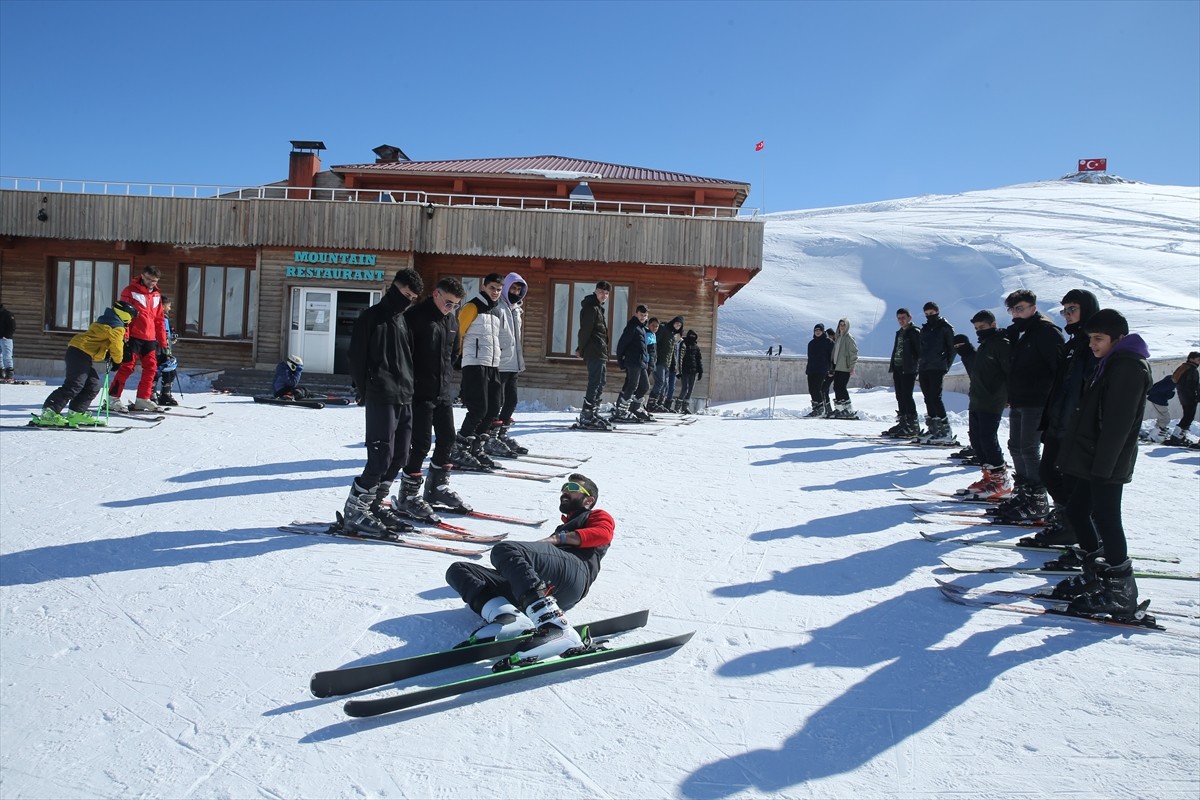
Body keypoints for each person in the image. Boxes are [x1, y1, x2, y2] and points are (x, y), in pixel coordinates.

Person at [1045, 309, 1151, 619]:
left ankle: (1120, 591)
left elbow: (1117, 424)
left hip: (1107, 461)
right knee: (1078, 511)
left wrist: (1103, 468)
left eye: (1099, 339)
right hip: (1096, 458)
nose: (1093, 344)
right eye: (1091, 338)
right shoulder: (1112, 362)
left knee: (1106, 517)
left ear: (1118, 339)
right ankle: (1097, 576)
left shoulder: (1128, 367)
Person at [445, 473, 614, 663]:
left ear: (588, 500)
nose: (565, 491)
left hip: (575, 571)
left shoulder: (596, 515)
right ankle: (509, 617)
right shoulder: (563, 526)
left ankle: (556, 626)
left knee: (504, 549)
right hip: (545, 589)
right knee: (458, 571)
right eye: (564, 488)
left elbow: (603, 534)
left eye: (573, 489)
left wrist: (559, 539)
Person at [343, 268, 423, 537]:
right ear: (394, 288)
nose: (407, 300)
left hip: (404, 395)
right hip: (381, 395)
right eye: (405, 294)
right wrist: (365, 389)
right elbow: (356, 356)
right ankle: (356, 510)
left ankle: (375, 505)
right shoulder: (372, 317)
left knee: (400, 455)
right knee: (380, 457)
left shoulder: (402, 320)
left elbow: (409, 358)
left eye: (412, 298)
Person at [1023, 289, 1100, 548]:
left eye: (1072, 309)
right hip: (1059, 422)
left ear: (1087, 309)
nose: (1066, 314)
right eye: (1064, 309)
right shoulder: (1073, 344)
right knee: (1048, 473)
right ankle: (1071, 522)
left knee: (1070, 481)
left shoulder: (1092, 346)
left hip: (1076, 427)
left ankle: (1077, 528)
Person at [395, 277, 470, 523]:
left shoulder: (451, 320)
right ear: (436, 294)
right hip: (417, 393)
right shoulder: (414, 317)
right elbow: (401, 355)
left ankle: (436, 488)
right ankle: (408, 494)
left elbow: (453, 354)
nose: (451, 308)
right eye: (448, 303)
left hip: (442, 392)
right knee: (420, 444)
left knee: (448, 437)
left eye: (456, 305)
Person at [994, 289, 1064, 522]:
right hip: (1020, 399)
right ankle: (1024, 494)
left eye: (1020, 308)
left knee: (1029, 449)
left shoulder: (1046, 332)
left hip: (1038, 401)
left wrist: (1051, 400)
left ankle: (1038, 499)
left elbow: (1057, 368)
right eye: (1013, 309)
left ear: (1033, 308)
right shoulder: (1020, 334)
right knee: (1015, 446)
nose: (1016, 313)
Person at [34, 301, 137, 427]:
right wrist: (117, 361)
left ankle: (76, 413)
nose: (131, 321)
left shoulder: (107, 320)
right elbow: (117, 345)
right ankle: (49, 413)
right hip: (79, 352)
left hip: (81, 353)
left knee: (93, 385)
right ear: (126, 315)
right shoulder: (117, 327)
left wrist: (107, 354)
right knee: (74, 385)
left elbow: (98, 340)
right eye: (131, 317)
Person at [952, 310, 1012, 500]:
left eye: (982, 327)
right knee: (976, 439)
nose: (979, 331)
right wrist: (967, 352)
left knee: (987, 438)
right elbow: (976, 369)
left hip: (992, 399)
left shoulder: (1002, 344)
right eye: (976, 328)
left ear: (993, 325)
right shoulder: (985, 345)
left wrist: (1010, 395)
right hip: (977, 398)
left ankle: (1001, 482)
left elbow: (1010, 372)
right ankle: (989, 478)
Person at [455, 273, 504, 468]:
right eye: (492, 288)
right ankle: (459, 449)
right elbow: (459, 332)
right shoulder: (471, 307)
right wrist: (456, 357)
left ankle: (476, 447)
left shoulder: (495, 312)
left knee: (493, 408)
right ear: (483, 287)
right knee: (478, 409)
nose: (495, 292)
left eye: (499, 290)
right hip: (474, 364)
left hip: (492, 364)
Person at [106, 265, 168, 413]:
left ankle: (142, 399)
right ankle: (113, 398)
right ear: (142, 276)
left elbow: (159, 320)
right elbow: (123, 315)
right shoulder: (130, 291)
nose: (151, 283)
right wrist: (124, 336)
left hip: (150, 338)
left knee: (151, 368)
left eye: (154, 281)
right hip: (133, 337)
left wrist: (163, 343)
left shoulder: (156, 295)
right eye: (149, 279)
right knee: (127, 367)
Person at [488, 271, 529, 456]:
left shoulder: (516, 309)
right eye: (512, 287)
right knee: (497, 401)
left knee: (512, 400)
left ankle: (502, 434)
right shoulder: (497, 307)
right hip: (499, 362)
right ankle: (490, 436)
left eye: (518, 289)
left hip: (513, 362)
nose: (515, 291)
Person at [915, 301, 958, 445]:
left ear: (937, 312)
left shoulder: (945, 328)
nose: (929, 316)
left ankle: (945, 430)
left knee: (935, 397)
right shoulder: (925, 328)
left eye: (931, 313)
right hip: (925, 366)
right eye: (927, 314)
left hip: (938, 366)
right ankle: (934, 428)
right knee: (927, 397)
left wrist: (946, 365)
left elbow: (952, 349)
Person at [574, 281, 612, 430]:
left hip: (600, 351)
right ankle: (587, 414)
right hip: (593, 350)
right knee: (595, 382)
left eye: (607, 293)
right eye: (602, 292)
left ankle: (594, 412)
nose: (604, 295)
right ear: (596, 291)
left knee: (601, 382)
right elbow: (585, 331)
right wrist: (580, 348)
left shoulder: (598, 308)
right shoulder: (591, 308)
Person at [884, 308, 922, 438]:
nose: (901, 320)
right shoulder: (899, 332)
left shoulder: (914, 332)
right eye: (899, 318)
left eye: (903, 318)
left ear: (909, 318)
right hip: (898, 367)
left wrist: (916, 366)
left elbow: (919, 352)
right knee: (900, 395)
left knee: (907, 395)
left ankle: (913, 424)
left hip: (909, 368)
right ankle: (903, 422)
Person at [1149, 352, 1200, 446]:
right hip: (1189, 397)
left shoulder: (1184, 367)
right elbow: (1191, 385)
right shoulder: (1191, 369)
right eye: (1198, 359)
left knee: (1187, 416)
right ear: (1192, 359)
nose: (1199, 361)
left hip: (1184, 396)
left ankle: (1176, 436)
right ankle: (1177, 437)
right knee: (1187, 417)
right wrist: (1196, 395)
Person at [612, 305, 652, 422]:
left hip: (641, 362)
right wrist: (621, 361)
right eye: (641, 315)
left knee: (645, 386)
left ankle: (635, 408)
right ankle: (621, 411)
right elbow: (621, 344)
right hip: (633, 362)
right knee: (632, 385)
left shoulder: (642, 328)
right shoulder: (632, 327)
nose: (643, 317)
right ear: (636, 314)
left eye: (645, 315)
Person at [649, 315, 684, 413]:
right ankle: (651, 404)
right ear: (673, 322)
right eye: (677, 323)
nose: (677, 326)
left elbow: (671, 351)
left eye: (680, 325)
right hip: (659, 360)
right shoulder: (664, 329)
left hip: (666, 363)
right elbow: (655, 342)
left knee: (664, 384)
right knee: (660, 382)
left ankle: (659, 403)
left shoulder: (672, 334)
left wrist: (673, 365)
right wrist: (654, 357)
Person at [151, 296, 180, 406]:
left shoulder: (166, 318)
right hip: (156, 348)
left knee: (170, 370)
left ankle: (165, 394)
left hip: (166, 349)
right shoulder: (155, 316)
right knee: (155, 371)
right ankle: (151, 394)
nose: (170, 308)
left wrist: (173, 336)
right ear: (162, 306)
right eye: (168, 305)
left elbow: (168, 332)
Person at [829, 318, 859, 419]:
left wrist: (852, 366)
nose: (842, 327)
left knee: (841, 387)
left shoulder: (849, 338)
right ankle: (840, 409)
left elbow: (853, 353)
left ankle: (848, 409)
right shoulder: (838, 337)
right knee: (836, 387)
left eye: (844, 325)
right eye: (840, 325)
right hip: (837, 366)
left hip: (845, 367)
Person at [805, 323, 834, 417]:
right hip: (812, 370)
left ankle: (821, 409)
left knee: (818, 389)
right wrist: (808, 369)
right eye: (816, 330)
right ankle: (816, 408)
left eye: (819, 330)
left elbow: (832, 357)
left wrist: (831, 369)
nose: (817, 332)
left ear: (823, 331)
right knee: (811, 390)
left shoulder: (828, 342)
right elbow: (810, 357)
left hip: (823, 370)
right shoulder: (811, 343)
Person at [676, 328, 704, 413]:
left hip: (693, 370)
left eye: (694, 336)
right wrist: (679, 371)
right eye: (691, 336)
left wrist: (700, 371)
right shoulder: (683, 344)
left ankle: (685, 407)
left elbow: (698, 360)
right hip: (685, 370)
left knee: (691, 389)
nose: (692, 337)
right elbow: (679, 358)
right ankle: (678, 406)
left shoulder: (696, 347)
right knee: (685, 388)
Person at [0, 302, 15, 381]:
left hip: (6, 339)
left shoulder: (7, 314)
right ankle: (1, 372)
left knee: (7, 356)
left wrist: (6, 336)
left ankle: (9, 373)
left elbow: (12, 326)